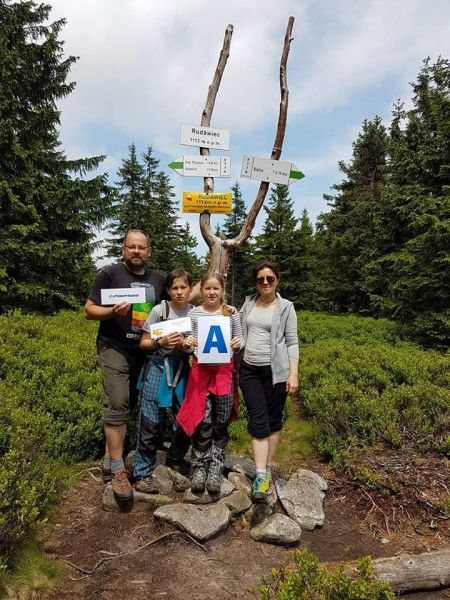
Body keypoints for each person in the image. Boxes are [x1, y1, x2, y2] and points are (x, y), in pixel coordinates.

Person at [84, 229, 166, 509]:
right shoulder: (110, 274)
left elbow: (176, 299)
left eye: (141, 247)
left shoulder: (157, 279)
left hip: (141, 350)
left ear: (149, 251)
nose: (136, 251)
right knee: (118, 400)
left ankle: (110, 459)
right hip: (113, 347)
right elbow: (89, 310)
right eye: (132, 246)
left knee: (128, 404)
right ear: (124, 249)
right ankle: (119, 470)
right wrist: (111, 312)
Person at [177, 272, 244, 494]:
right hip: (200, 374)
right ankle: (199, 467)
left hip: (224, 374)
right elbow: (188, 345)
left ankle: (216, 467)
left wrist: (238, 343)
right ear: (202, 291)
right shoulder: (193, 314)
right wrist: (187, 343)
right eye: (208, 288)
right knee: (203, 421)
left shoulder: (231, 312)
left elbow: (241, 339)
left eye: (216, 288)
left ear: (222, 291)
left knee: (221, 421)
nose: (212, 292)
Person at [238, 260, 299, 503]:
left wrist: (293, 374)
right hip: (249, 370)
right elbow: (237, 329)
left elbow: (292, 342)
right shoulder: (248, 303)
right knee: (258, 420)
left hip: (276, 372)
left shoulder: (286, 307)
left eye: (270, 278)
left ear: (277, 281)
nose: (265, 282)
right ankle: (261, 475)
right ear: (255, 282)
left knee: (273, 421)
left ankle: (267, 466)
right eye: (260, 279)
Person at [133, 269, 194, 493]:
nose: (179, 292)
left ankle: (174, 459)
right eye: (174, 288)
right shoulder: (160, 310)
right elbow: (143, 342)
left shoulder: (195, 313)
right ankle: (142, 472)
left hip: (182, 368)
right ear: (168, 290)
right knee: (150, 421)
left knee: (187, 419)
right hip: (157, 367)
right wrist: (162, 342)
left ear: (190, 289)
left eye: (183, 287)